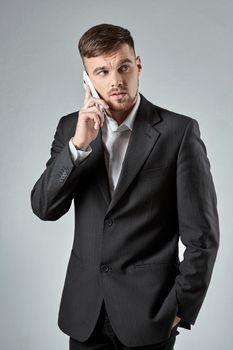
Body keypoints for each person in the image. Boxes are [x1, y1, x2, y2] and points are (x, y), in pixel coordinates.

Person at [30, 23, 220, 350]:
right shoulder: (70, 130)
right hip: (85, 313)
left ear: (138, 66)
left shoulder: (179, 132)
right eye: (102, 71)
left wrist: (178, 309)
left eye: (123, 67)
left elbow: (203, 236)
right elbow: (44, 208)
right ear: (87, 79)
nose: (116, 80)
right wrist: (78, 146)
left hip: (150, 316)